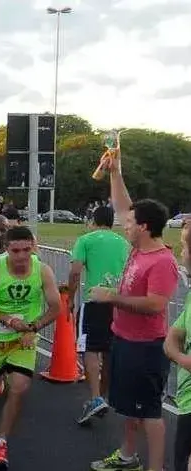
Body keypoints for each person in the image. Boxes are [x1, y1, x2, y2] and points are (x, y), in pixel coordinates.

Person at [89, 142, 179, 471]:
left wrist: (112, 297)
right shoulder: (138, 247)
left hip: (146, 348)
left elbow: (156, 305)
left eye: (130, 223)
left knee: (150, 412)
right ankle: (128, 456)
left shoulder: (161, 261)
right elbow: (123, 205)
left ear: (143, 227)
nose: (124, 225)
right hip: (125, 340)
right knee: (130, 407)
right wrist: (115, 171)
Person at [0, 225, 61, 468]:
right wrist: (9, 320)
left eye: (27, 249)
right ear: (6, 250)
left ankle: (0, 442)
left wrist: (32, 328)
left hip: (23, 337)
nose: (22, 256)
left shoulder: (42, 271)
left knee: (20, 386)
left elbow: (55, 307)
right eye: (16, 251)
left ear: (33, 247)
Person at [68, 206, 130, 425]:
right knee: (109, 349)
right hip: (118, 302)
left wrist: (70, 297)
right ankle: (102, 396)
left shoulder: (85, 240)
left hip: (94, 300)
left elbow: (75, 272)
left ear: (93, 220)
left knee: (90, 348)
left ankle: (95, 398)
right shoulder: (124, 242)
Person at [164, 217, 191, 471]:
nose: (182, 254)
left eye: (184, 247)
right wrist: (183, 359)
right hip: (185, 402)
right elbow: (172, 338)